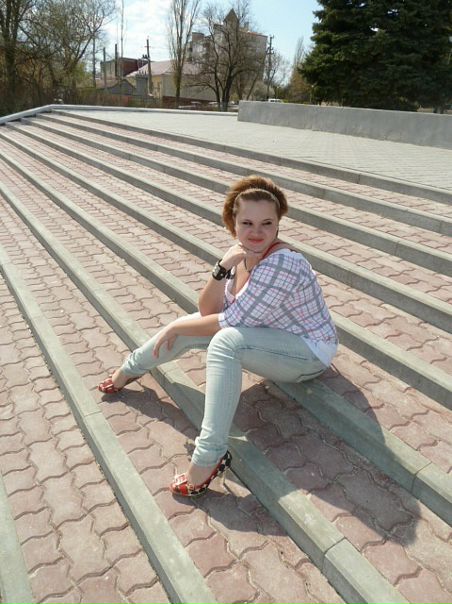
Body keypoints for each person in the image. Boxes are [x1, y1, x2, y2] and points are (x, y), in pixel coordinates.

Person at [98, 175, 338, 497]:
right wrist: (222, 267)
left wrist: (175, 328)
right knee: (191, 324)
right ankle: (129, 370)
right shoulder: (242, 256)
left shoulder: (283, 263)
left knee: (221, 341)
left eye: (267, 223)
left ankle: (209, 457)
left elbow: (228, 323)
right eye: (247, 223)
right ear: (233, 224)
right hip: (269, 338)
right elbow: (208, 309)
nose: (257, 232)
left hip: (307, 352)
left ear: (278, 225)